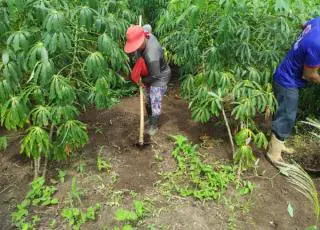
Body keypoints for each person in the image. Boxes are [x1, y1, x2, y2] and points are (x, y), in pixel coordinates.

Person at [267, 17, 320, 164]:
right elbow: (309, 74)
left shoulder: (318, 21)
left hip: (288, 70)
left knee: (287, 112)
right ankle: (273, 153)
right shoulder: (318, 44)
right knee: (287, 115)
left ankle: (279, 143)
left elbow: (303, 24)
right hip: (287, 80)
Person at [124, 24, 171, 136]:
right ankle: (150, 119)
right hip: (149, 73)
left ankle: (153, 126)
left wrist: (143, 81)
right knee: (147, 100)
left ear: (142, 40)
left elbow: (155, 75)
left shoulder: (152, 55)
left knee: (154, 101)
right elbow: (147, 27)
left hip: (159, 77)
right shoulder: (146, 34)